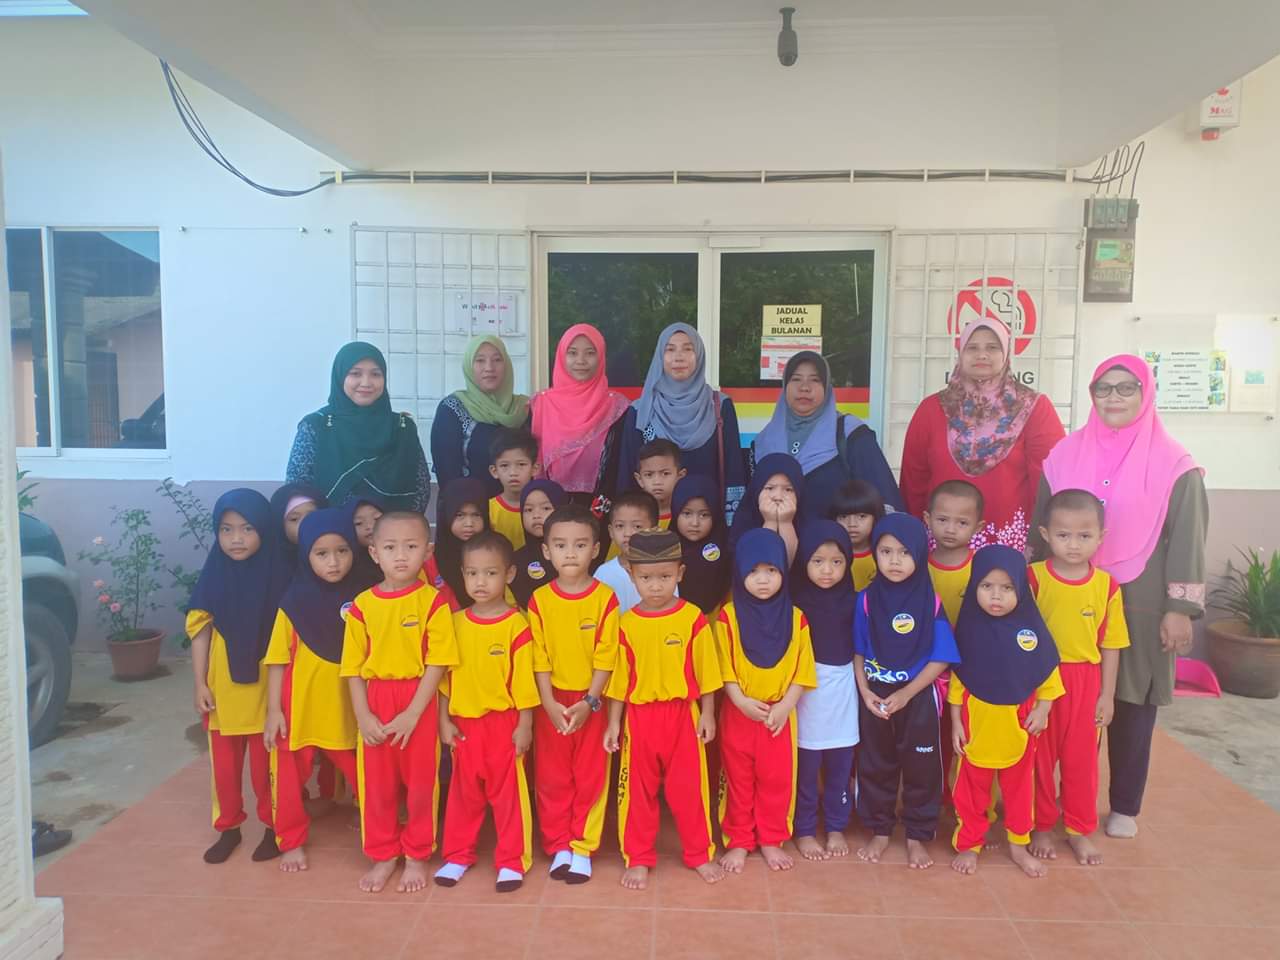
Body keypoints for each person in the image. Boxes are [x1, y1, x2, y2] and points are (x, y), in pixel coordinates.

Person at [1033, 354, 1206, 841]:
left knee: (1131, 699)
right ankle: (1061, 800)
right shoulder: (1064, 455)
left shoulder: (1176, 463)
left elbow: (1188, 537)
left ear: (1146, 393)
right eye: (1103, 388)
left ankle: (1125, 803)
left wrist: (1180, 608)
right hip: (1065, 593)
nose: (1113, 397)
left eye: (1126, 387)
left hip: (1141, 594)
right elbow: (1040, 526)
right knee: (1063, 696)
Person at [341, 511, 459, 894]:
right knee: (377, 785)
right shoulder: (362, 605)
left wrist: (413, 713)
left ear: (428, 551)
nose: (401, 556)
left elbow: (438, 663)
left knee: (421, 784)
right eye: (390, 547)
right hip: (375, 698)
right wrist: (363, 716)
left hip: (418, 698)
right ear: (374, 553)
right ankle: (383, 853)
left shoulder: (433, 602)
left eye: (411, 546)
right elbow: (352, 668)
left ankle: (417, 854)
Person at [605, 529, 725, 889]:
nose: (655, 586)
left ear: (680, 574)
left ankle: (699, 853)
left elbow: (707, 673)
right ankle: (638, 857)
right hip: (639, 719)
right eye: (646, 578)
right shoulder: (626, 624)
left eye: (665, 577)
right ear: (631, 576)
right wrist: (613, 723)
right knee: (637, 792)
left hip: (682, 716)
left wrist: (707, 713)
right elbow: (619, 681)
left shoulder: (692, 618)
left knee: (689, 789)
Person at [899, 317, 1065, 551]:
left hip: (1010, 545)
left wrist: (1038, 544)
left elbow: (1048, 480)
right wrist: (915, 538)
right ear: (961, 353)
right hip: (942, 546)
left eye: (992, 347)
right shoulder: (932, 408)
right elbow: (914, 481)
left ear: (1006, 353)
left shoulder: (1033, 407)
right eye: (972, 348)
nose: (982, 355)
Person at [949, 545, 1064, 879]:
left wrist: (1043, 709)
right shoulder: (968, 629)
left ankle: (1018, 845)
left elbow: (1048, 676)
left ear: (1021, 590)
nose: (996, 596)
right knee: (971, 791)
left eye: (1007, 587)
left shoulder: (1031, 632)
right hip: (977, 726)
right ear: (974, 587)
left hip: (1020, 727)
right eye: (986, 586)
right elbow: (957, 682)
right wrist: (955, 723)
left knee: (1019, 792)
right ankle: (969, 844)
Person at [1028, 489, 1130, 866]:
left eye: (1084, 536)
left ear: (1101, 537)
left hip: (1086, 683)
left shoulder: (1107, 586)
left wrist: (1107, 695)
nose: (1073, 544)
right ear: (1045, 534)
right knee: (1039, 758)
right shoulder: (1033, 578)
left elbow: (1112, 645)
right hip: (1041, 680)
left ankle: (1078, 829)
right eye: (1063, 535)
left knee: (1082, 762)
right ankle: (1040, 825)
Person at [187, 489, 289, 865]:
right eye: (226, 529)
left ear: (264, 528)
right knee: (225, 769)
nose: (236, 539)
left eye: (247, 528)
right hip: (223, 689)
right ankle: (228, 828)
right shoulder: (214, 575)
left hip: (265, 690)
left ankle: (274, 828)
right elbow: (200, 632)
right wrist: (200, 683)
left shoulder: (279, 575)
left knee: (266, 768)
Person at [853, 513, 959, 869]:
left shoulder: (931, 602)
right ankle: (880, 830)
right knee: (875, 763)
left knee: (921, 767)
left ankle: (917, 835)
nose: (894, 561)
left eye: (904, 552)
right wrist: (866, 692)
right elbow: (858, 652)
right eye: (885, 552)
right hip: (876, 696)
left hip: (918, 696)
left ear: (919, 554)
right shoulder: (866, 601)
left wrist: (907, 693)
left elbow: (941, 658)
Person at [434, 533, 538, 893]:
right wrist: (443, 720)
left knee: (508, 796)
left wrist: (525, 724)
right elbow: (444, 679)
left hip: (504, 724)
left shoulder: (517, 625)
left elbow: (524, 682)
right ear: (462, 574)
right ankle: (457, 855)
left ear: (509, 575)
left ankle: (512, 861)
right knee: (464, 794)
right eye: (473, 573)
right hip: (464, 724)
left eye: (490, 573)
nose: (481, 582)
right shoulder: (454, 623)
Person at [263, 508, 361, 873]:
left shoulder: (364, 598)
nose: (333, 562)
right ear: (306, 554)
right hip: (299, 710)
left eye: (342, 551)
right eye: (321, 553)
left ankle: (379, 830)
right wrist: (274, 710)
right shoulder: (293, 602)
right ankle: (291, 841)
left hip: (348, 709)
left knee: (366, 774)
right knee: (289, 779)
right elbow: (277, 660)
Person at [527, 504, 620, 884]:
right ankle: (559, 845)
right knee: (551, 776)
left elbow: (607, 656)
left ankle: (582, 846)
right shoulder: (539, 600)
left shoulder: (605, 599)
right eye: (560, 545)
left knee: (590, 775)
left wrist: (590, 701)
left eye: (580, 545)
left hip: (591, 704)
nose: (570, 553)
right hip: (551, 703)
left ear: (595, 549)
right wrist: (548, 702)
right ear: (546, 550)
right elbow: (538, 656)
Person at [716, 529, 816, 874]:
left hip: (779, 715)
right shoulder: (728, 616)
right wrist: (740, 701)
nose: (763, 579)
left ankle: (772, 838)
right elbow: (724, 668)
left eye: (771, 570)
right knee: (738, 778)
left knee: (777, 779)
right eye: (753, 571)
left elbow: (803, 671)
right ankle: (739, 840)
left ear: (783, 572)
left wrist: (786, 706)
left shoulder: (796, 618)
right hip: (739, 711)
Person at [615, 323, 746, 522]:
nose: (678, 357)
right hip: (653, 527)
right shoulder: (640, 410)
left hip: (705, 524)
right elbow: (628, 476)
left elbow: (733, 471)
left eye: (687, 349)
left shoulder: (719, 406)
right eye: (670, 349)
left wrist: (732, 525)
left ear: (699, 355)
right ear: (660, 356)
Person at [752, 351, 902, 519]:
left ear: (827, 388)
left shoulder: (850, 434)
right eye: (796, 379)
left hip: (836, 536)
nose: (804, 387)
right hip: (775, 535)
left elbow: (884, 496)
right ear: (785, 386)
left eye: (815, 380)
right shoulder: (763, 441)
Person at [287, 341, 430, 512]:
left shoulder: (402, 428)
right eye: (355, 373)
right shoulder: (316, 426)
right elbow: (298, 489)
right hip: (330, 527)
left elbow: (420, 488)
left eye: (375, 374)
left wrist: (394, 525)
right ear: (340, 376)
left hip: (394, 527)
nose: (366, 382)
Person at [791, 520, 860, 861]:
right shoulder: (794, 601)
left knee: (840, 765)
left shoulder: (855, 601)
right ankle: (804, 829)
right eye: (817, 561)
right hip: (805, 690)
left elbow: (861, 649)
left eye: (836, 561)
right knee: (806, 768)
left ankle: (835, 826)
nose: (827, 570)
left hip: (843, 689)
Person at [531, 323, 630, 503]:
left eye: (590, 353)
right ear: (561, 356)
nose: (581, 361)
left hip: (602, 508)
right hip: (551, 508)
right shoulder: (542, 404)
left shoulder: (617, 407)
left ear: (601, 357)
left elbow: (620, 465)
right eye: (572, 353)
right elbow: (531, 461)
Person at [431, 335, 530, 496]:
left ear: (507, 364)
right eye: (480, 360)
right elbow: (447, 474)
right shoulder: (452, 408)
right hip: (469, 507)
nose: (489, 367)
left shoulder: (525, 408)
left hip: (520, 508)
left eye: (497, 360)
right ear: (469, 366)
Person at [728, 452, 804, 568]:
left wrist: (786, 523)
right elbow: (759, 567)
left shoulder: (806, 519)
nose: (778, 496)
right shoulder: (745, 519)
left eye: (788, 489)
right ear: (757, 489)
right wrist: (770, 522)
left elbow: (787, 566)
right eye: (769, 488)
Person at [671, 475, 731, 617]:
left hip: (717, 621)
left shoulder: (727, 549)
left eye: (704, 515)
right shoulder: (665, 548)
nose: (695, 523)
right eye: (687, 513)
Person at [924, 480, 983, 627]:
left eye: (962, 523)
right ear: (927, 520)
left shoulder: (982, 567)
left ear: (978, 527)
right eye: (942, 520)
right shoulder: (917, 565)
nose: (950, 529)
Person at [594, 491, 661, 614]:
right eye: (620, 526)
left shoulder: (663, 571)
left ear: (654, 530)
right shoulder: (604, 573)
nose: (627, 533)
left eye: (637, 526)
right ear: (611, 532)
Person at [432, 478, 493, 611]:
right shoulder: (434, 558)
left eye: (476, 515)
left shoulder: (494, 553)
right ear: (447, 515)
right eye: (460, 515)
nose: (469, 523)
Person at [510, 479, 568, 609]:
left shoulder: (574, 554)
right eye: (529, 509)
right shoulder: (516, 560)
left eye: (546, 508)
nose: (536, 515)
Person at [488, 428, 540, 551]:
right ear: (494, 471)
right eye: (504, 465)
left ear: (535, 469)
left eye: (521, 464)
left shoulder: (543, 508)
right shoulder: (489, 509)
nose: (513, 472)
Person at [828, 479, 884, 591]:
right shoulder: (827, 555)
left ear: (875, 517)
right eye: (844, 517)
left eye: (861, 516)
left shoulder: (885, 554)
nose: (852, 524)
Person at [269, 483, 326, 568]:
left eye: (311, 516)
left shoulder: (338, 553)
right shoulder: (271, 565)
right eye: (294, 519)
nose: (305, 524)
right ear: (280, 526)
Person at [346, 494, 386, 594]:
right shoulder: (349, 565)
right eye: (359, 523)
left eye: (377, 519)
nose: (370, 526)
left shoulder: (400, 555)